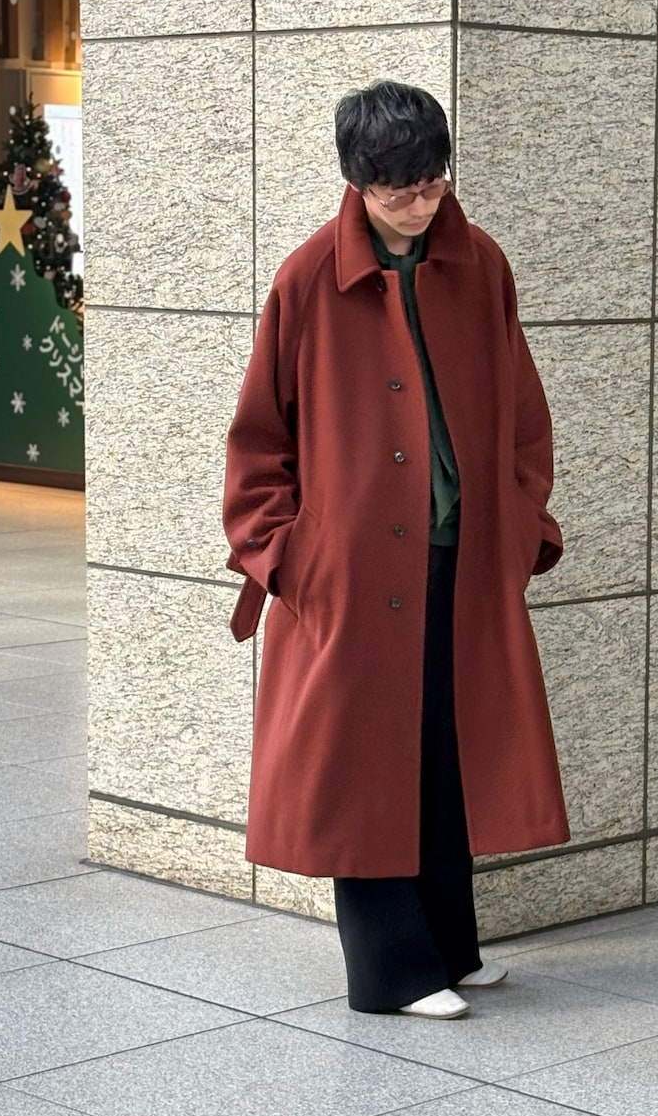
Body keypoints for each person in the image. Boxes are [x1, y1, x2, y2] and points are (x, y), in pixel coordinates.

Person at [223, 81, 569, 1020]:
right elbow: (258, 439)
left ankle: (451, 948)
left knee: (445, 752)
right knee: (365, 765)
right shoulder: (307, 279)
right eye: (397, 189)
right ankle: (392, 973)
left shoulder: (479, 262)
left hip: (461, 557)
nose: (420, 204)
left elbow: (524, 411)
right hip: (351, 572)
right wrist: (289, 556)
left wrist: (522, 523)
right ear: (356, 181)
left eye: (432, 182)